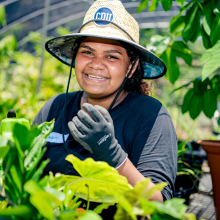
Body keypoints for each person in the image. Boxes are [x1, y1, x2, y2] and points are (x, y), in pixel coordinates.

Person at [32, 0, 177, 216]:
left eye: (111, 56)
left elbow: (159, 207)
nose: (96, 64)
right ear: (75, 57)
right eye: (87, 52)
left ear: (131, 66)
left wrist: (111, 152)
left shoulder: (151, 116)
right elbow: (26, 174)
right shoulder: (54, 107)